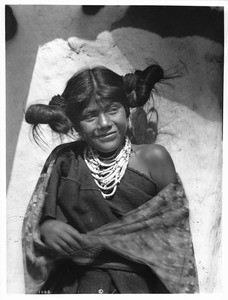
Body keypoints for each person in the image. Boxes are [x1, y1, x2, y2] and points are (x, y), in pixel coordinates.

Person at [22, 65, 199, 294]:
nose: (104, 123)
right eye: (90, 115)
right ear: (76, 124)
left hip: (135, 288)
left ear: (127, 110)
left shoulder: (154, 158)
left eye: (112, 110)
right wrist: (46, 227)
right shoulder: (65, 160)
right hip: (72, 287)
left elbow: (174, 237)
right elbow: (36, 220)